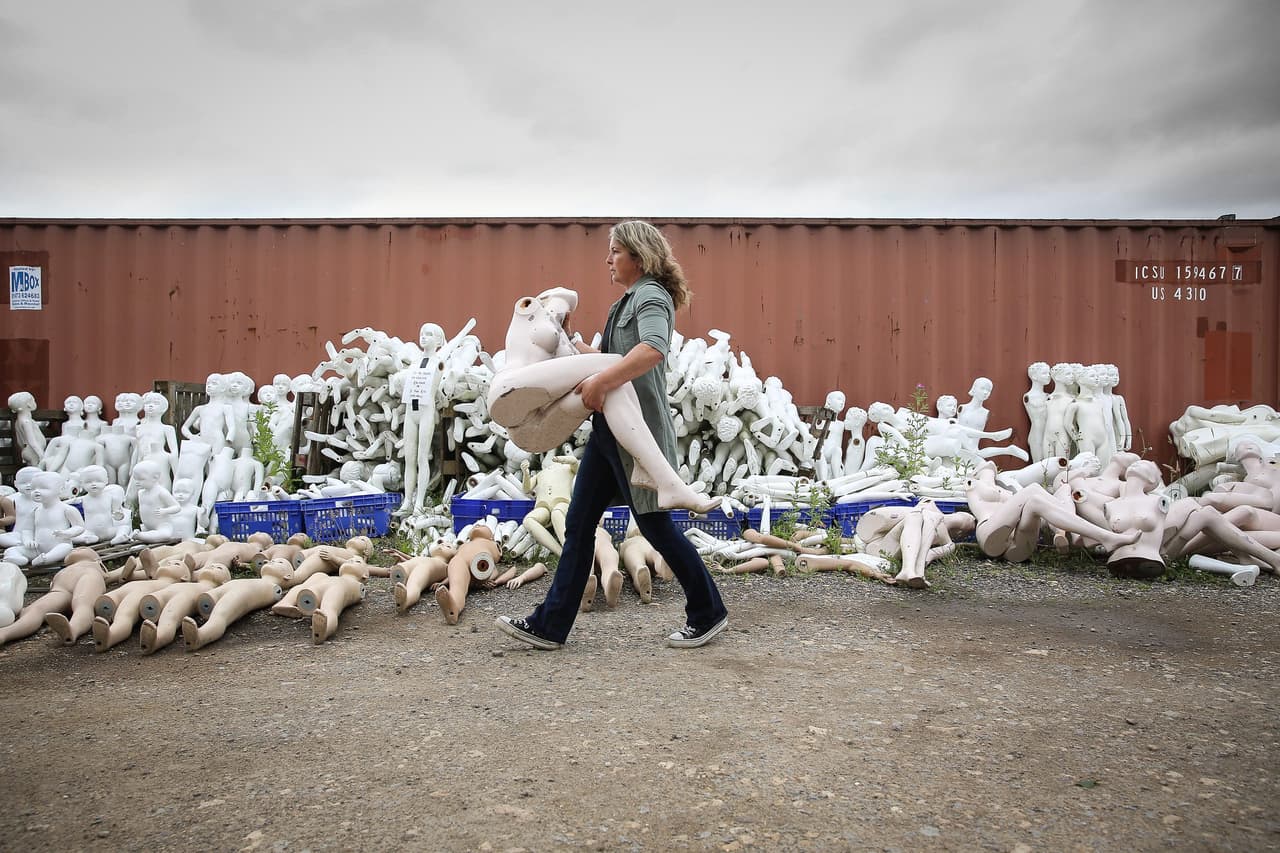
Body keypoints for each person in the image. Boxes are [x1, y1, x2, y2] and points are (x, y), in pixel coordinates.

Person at [496, 220, 728, 650]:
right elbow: (606, 359)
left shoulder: (651, 295)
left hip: (637, 434)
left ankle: (708, 612)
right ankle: (550, 624)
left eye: (616, 252)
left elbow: (652, 349)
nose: (608, 259)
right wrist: (570, 344)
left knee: (656, 528)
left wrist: (602, 383)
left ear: (639, 257)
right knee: (580, 525)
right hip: (609, 433)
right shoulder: (624, 302)